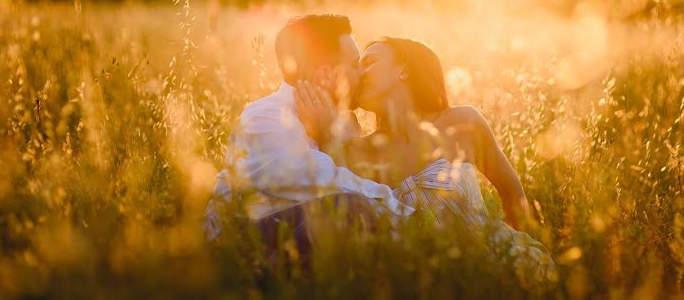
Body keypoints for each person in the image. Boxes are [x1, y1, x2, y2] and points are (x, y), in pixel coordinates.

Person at [295, 36, 554, 279]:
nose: (359, 74)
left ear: (403, 70)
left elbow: (512, 194)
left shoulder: (462, 122)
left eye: (370, 62)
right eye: (357, 66)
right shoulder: (358, 151)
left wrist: (511, 254)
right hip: (434, 282)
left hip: (504, 262)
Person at [203, 15, 413, 255]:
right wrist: (404, 212)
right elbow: (318, 181)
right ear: (324, 75)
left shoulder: (335, 122)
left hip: (288, 237)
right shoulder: (266, 116)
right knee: (350, 208)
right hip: (235, 247)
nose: (361, 74)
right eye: (354, 66)